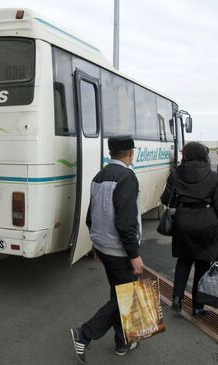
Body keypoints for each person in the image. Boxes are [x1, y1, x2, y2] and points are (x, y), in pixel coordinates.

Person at [70, 135, 143, 364]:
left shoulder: (99, 175)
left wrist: (97, 245)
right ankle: (85, 333)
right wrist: (134, 255)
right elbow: (126, 222)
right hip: (119, 250)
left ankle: (123, 341)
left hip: (103, 246)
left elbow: (91, 216)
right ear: (130, 153)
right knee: (126, 297)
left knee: (118, 293)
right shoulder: (127, 177)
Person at [161, 142, 218, 315]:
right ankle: (198, 306)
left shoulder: (177, 173)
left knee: (184, 260)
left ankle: (177, 298)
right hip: (208, 222)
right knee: (203, 264)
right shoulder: (213, 176)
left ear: (185, 154)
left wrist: (181, 202)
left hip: (183, 221)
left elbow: (166, 199)